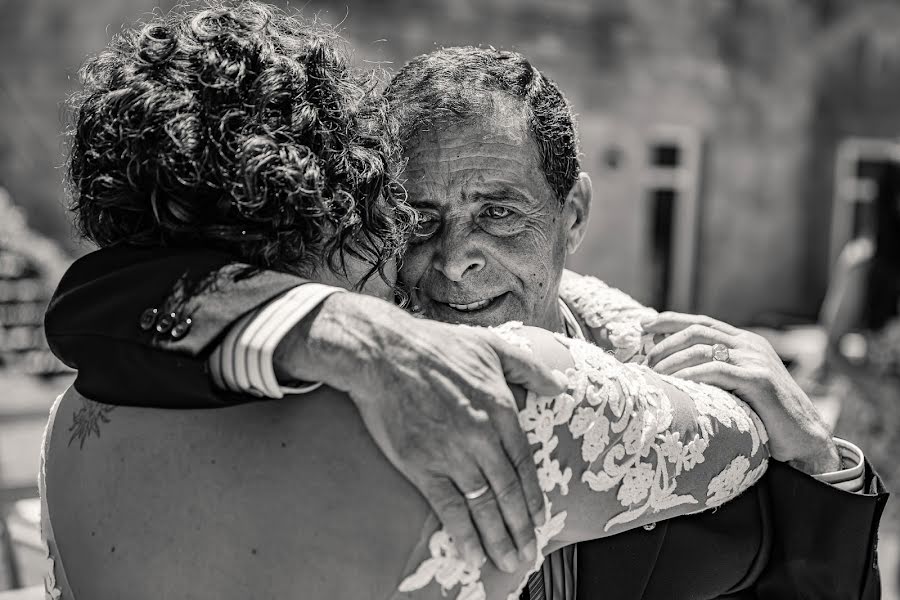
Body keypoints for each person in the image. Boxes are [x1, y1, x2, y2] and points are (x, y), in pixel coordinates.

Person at [44, 11, 888, 600]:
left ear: (576, 216)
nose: (455, 259)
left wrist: (824, 465)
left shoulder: (76, 422)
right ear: (351, 212)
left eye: (499, 213)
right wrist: (342, 329)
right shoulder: (518, 393)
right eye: (414, 218)